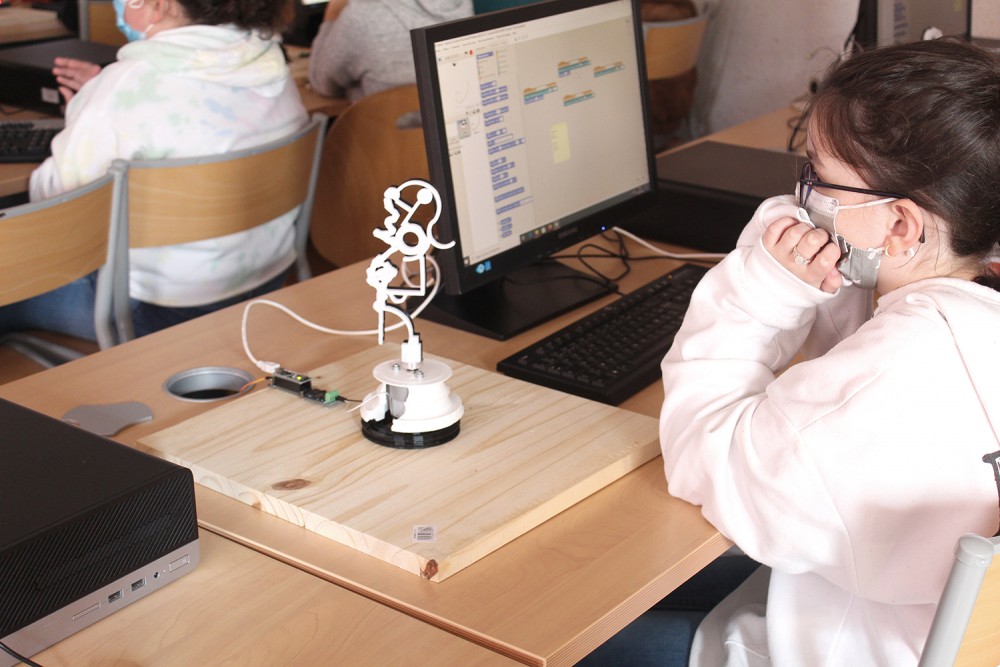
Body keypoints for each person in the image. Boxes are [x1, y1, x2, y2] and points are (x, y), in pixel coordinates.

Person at [586, 38, 1000, 666]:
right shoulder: (963, 316)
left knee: (552, 630)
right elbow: (852, 348)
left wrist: (761, 288)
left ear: (900, 226)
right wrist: (821, 257)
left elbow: (700, 453)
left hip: (830, 648)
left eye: (817, 178)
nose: (802, 199)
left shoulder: (883, 381)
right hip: (902, 622)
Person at [0, 0, 308, 341]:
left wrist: (85, 115)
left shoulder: (123, 87)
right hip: (265, 284)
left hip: (152, 312)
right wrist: (101, 98)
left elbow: (56, 202)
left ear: (159, 5)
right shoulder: (270, 63)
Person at [307, 0, 473, 102]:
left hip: (379, 146)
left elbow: (322, 83)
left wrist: (331, 16)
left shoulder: (363, 16)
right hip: (451, 147)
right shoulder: (459, 5)